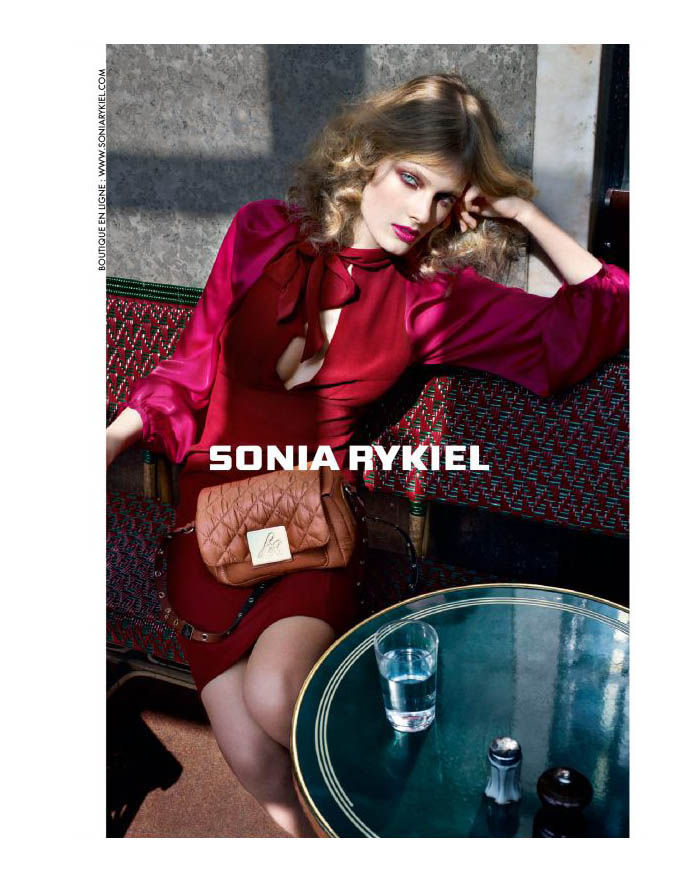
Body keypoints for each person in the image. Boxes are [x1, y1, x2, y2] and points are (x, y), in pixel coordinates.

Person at [106, 73, 629, 836]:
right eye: (411, 179)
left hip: (310, 526)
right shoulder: (259, 231)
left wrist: (522, 212)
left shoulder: (431, 296)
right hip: (210, 522)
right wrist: (111, 438)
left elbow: (604, 314)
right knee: (251, 759)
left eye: (445, 197)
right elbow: (190, 367)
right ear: (367, 158)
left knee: (278, 698)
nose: (423, 213)